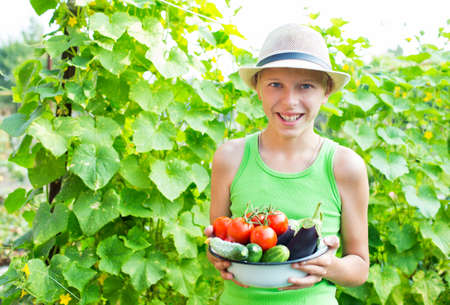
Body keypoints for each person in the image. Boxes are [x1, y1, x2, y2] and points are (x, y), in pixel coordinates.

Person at [206, 23, 369, 305]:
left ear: (326, 91)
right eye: (275, 85)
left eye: (306, 86)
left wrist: (329, 266)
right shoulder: (229, 157)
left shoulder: (345, 166)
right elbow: (219, 245)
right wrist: (217, 256)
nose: (289, 101)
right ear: (257, 88)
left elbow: (360, 267)